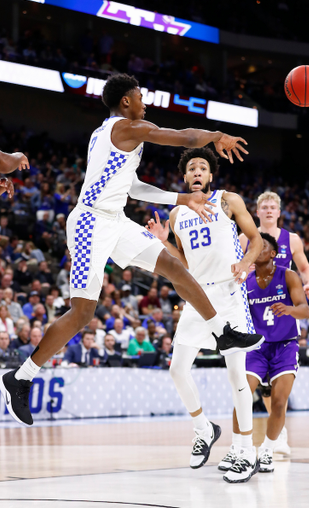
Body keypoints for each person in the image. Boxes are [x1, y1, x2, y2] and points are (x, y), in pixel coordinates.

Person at [0, 73, 262, 427]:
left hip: (114, 219)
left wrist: (183, 198)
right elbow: (182, 137)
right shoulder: (125, 128)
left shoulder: (113, 137)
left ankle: (221, 331)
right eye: (140, 96)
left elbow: (133, 187)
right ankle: (22, 377)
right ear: (126, 101)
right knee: (82, 313)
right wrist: (216, 136)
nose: (145, 102)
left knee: (173, 266)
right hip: (90, 223)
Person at [146, 146, 263, 483]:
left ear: (211, 175)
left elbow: (254, 239)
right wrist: (163, 243)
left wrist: (244, 263)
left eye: (202, 168)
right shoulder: (175, 214)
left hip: (228, 292)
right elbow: (181, 264)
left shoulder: (229, 200)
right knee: (177, 370)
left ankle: (245, 451)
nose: (196, 173)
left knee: (235, 374)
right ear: (184, 177)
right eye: (191, 169)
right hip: (197, 295)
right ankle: (203, 428)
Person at [225, 233, 309, 473]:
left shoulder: (288, 275)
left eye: (261, 247)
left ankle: (267, 451)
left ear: (273, 253)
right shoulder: (245, 281)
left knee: (280, 403)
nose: (255, 249)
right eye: (252, 246)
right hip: (256, 347)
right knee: (242, 396)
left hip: (285, 346)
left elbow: (305, 311)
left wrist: (290, 309)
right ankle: (237, 449)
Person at [239, 190, 309, 453]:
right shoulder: (245, 238)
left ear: (279, 212)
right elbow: (235, 267)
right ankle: (243, 446)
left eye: (273, 207)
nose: (269, 210)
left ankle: (276, 438)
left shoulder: (291, 239)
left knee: (275, 389)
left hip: (281, 314)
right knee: (256, 387)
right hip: (256, 311)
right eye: (265, 207)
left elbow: (304, 268)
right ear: (257, 212)